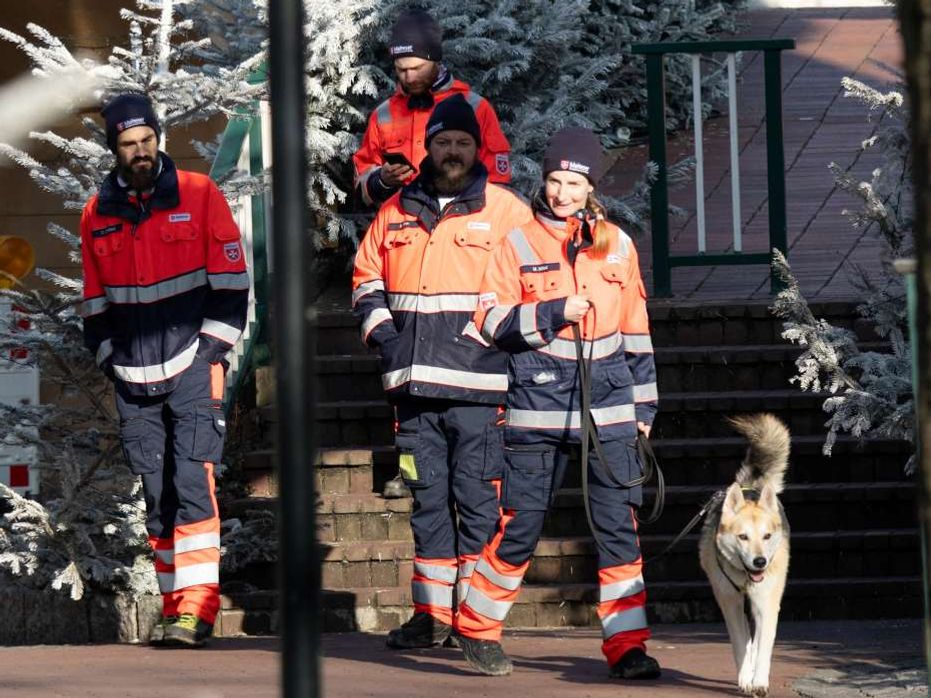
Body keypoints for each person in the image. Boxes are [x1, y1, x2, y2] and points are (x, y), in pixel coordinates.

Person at [455, 127, 661, 679]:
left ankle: (628, 648)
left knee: (619, 528)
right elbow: (491, 321)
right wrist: (551, 313)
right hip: (536, 412)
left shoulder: (616, 242)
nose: (562, 192)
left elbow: (636, 331)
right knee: (519, 526)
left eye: (574, 182)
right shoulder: (517, 243)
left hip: (611, 411)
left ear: (591, 186)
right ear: (542, 180)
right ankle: (476, 628)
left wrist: (645, 412)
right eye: (554, 179)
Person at [352, 94, 531, 648]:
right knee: (427, 503)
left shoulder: (507, 211)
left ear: (477, 149)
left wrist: (494, 338)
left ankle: (472, 620)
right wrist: (386, 337)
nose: (452, 151)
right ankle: (432, 617)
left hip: (479, 390)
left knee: (478, 504)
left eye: (461, 142)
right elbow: (364, 278)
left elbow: (534, 287)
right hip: (411, 392)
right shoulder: (396, 209)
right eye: (442, 142)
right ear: (427, 148)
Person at [79, 93, 249, 648]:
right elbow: (94, 301)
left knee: (191, 484)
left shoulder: (200, 195)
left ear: (158, 138)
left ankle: (197, 611)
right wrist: (108, 357)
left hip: (193, 367)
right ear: (115, 150)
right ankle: (176, 606)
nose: (141, 152)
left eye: (147, 140)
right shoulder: (95, 215)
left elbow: (231, 283)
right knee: (157, 496)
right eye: (129, 145)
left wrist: (209, 353)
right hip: (132, 378)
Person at [352, 8, 512, 211]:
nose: (409, 77)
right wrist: (381, 180)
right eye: (402, 70)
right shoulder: (383, 115)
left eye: (417, 68)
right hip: (398, 228)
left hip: (461, 227)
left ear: (436, 60)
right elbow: (362, 178)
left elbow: (498, 184)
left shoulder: (475, 108)